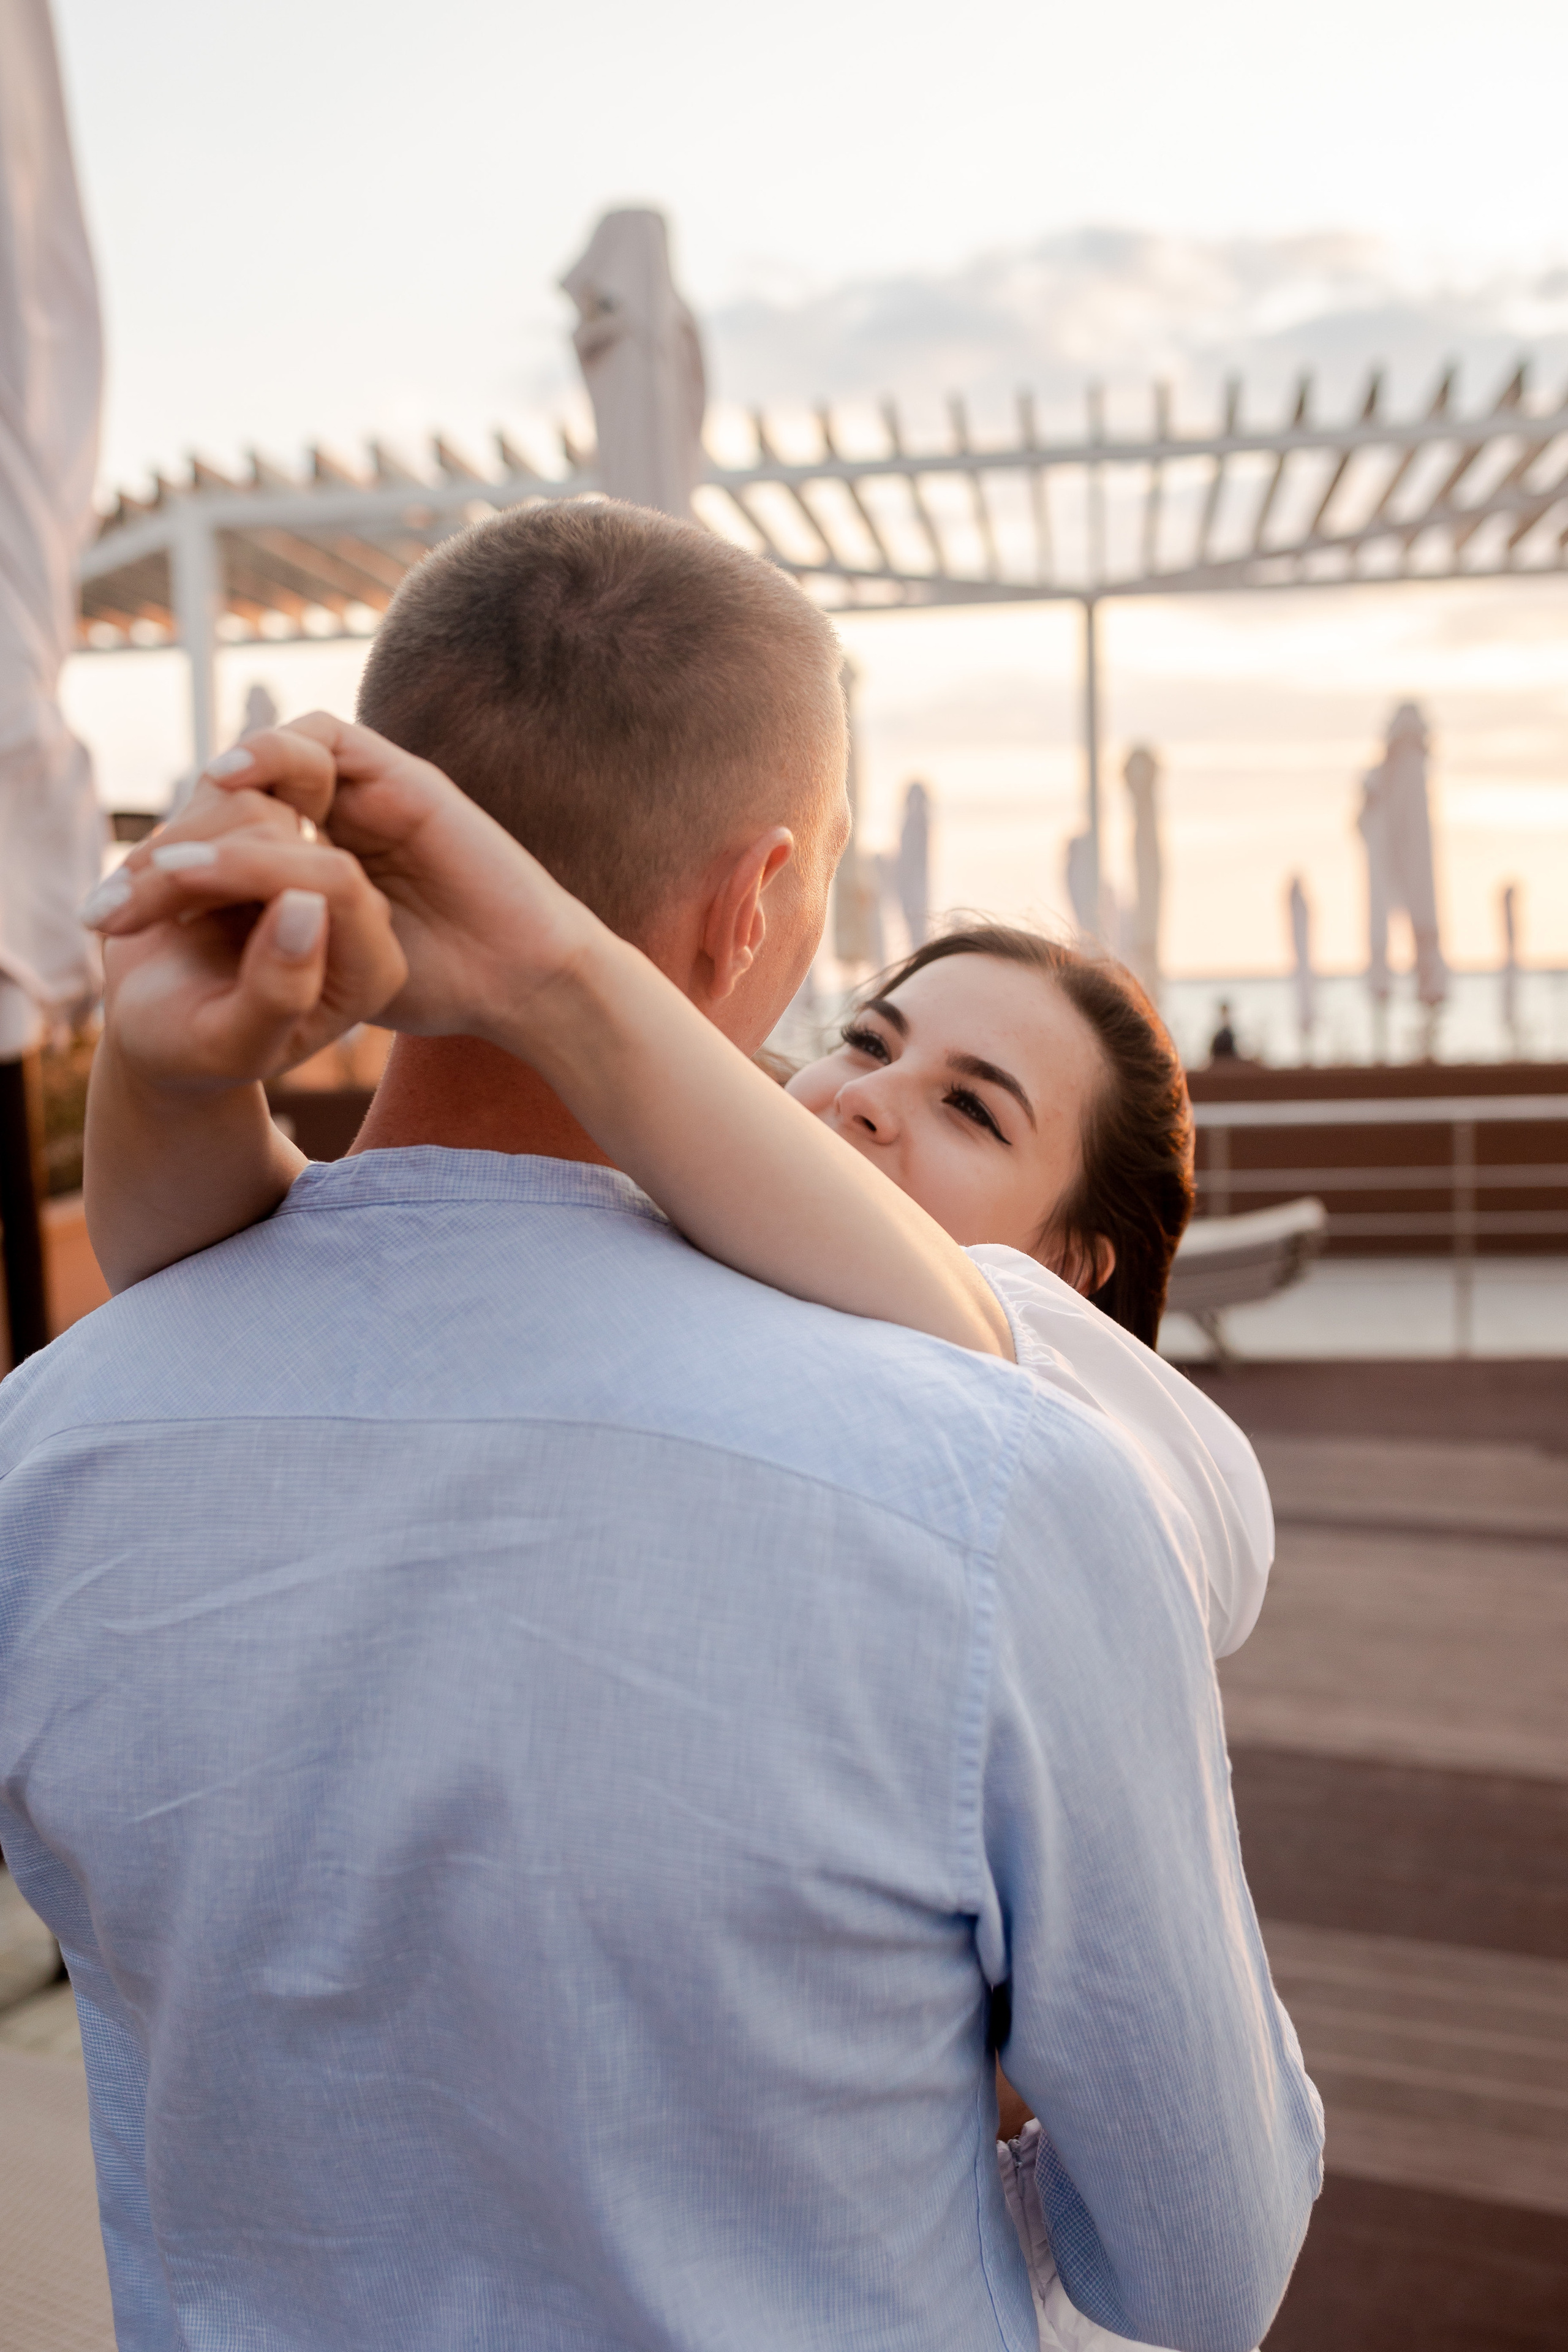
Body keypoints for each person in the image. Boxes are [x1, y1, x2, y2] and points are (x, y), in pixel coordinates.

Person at [1, 503, 1320, 2351]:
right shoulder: (1003, 1495)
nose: (867, 1110)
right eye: (871, 1033)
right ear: (754, 904)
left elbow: (191, 1276)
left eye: (969, 1101)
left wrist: (184, 1050)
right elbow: (1202, 2260)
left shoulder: (51, 1452)